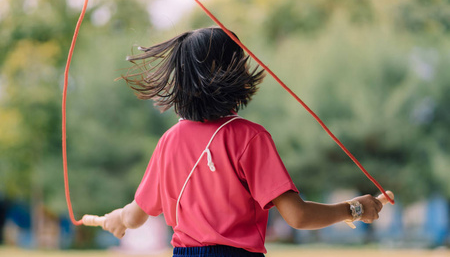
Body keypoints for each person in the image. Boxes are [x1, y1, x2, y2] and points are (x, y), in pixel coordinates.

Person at [101, 27, 383, 257]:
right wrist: (355, 209)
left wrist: (118, 218)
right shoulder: (250, 137)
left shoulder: (169, 141)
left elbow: (136, 216)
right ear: (234, 74)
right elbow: (298, 216)